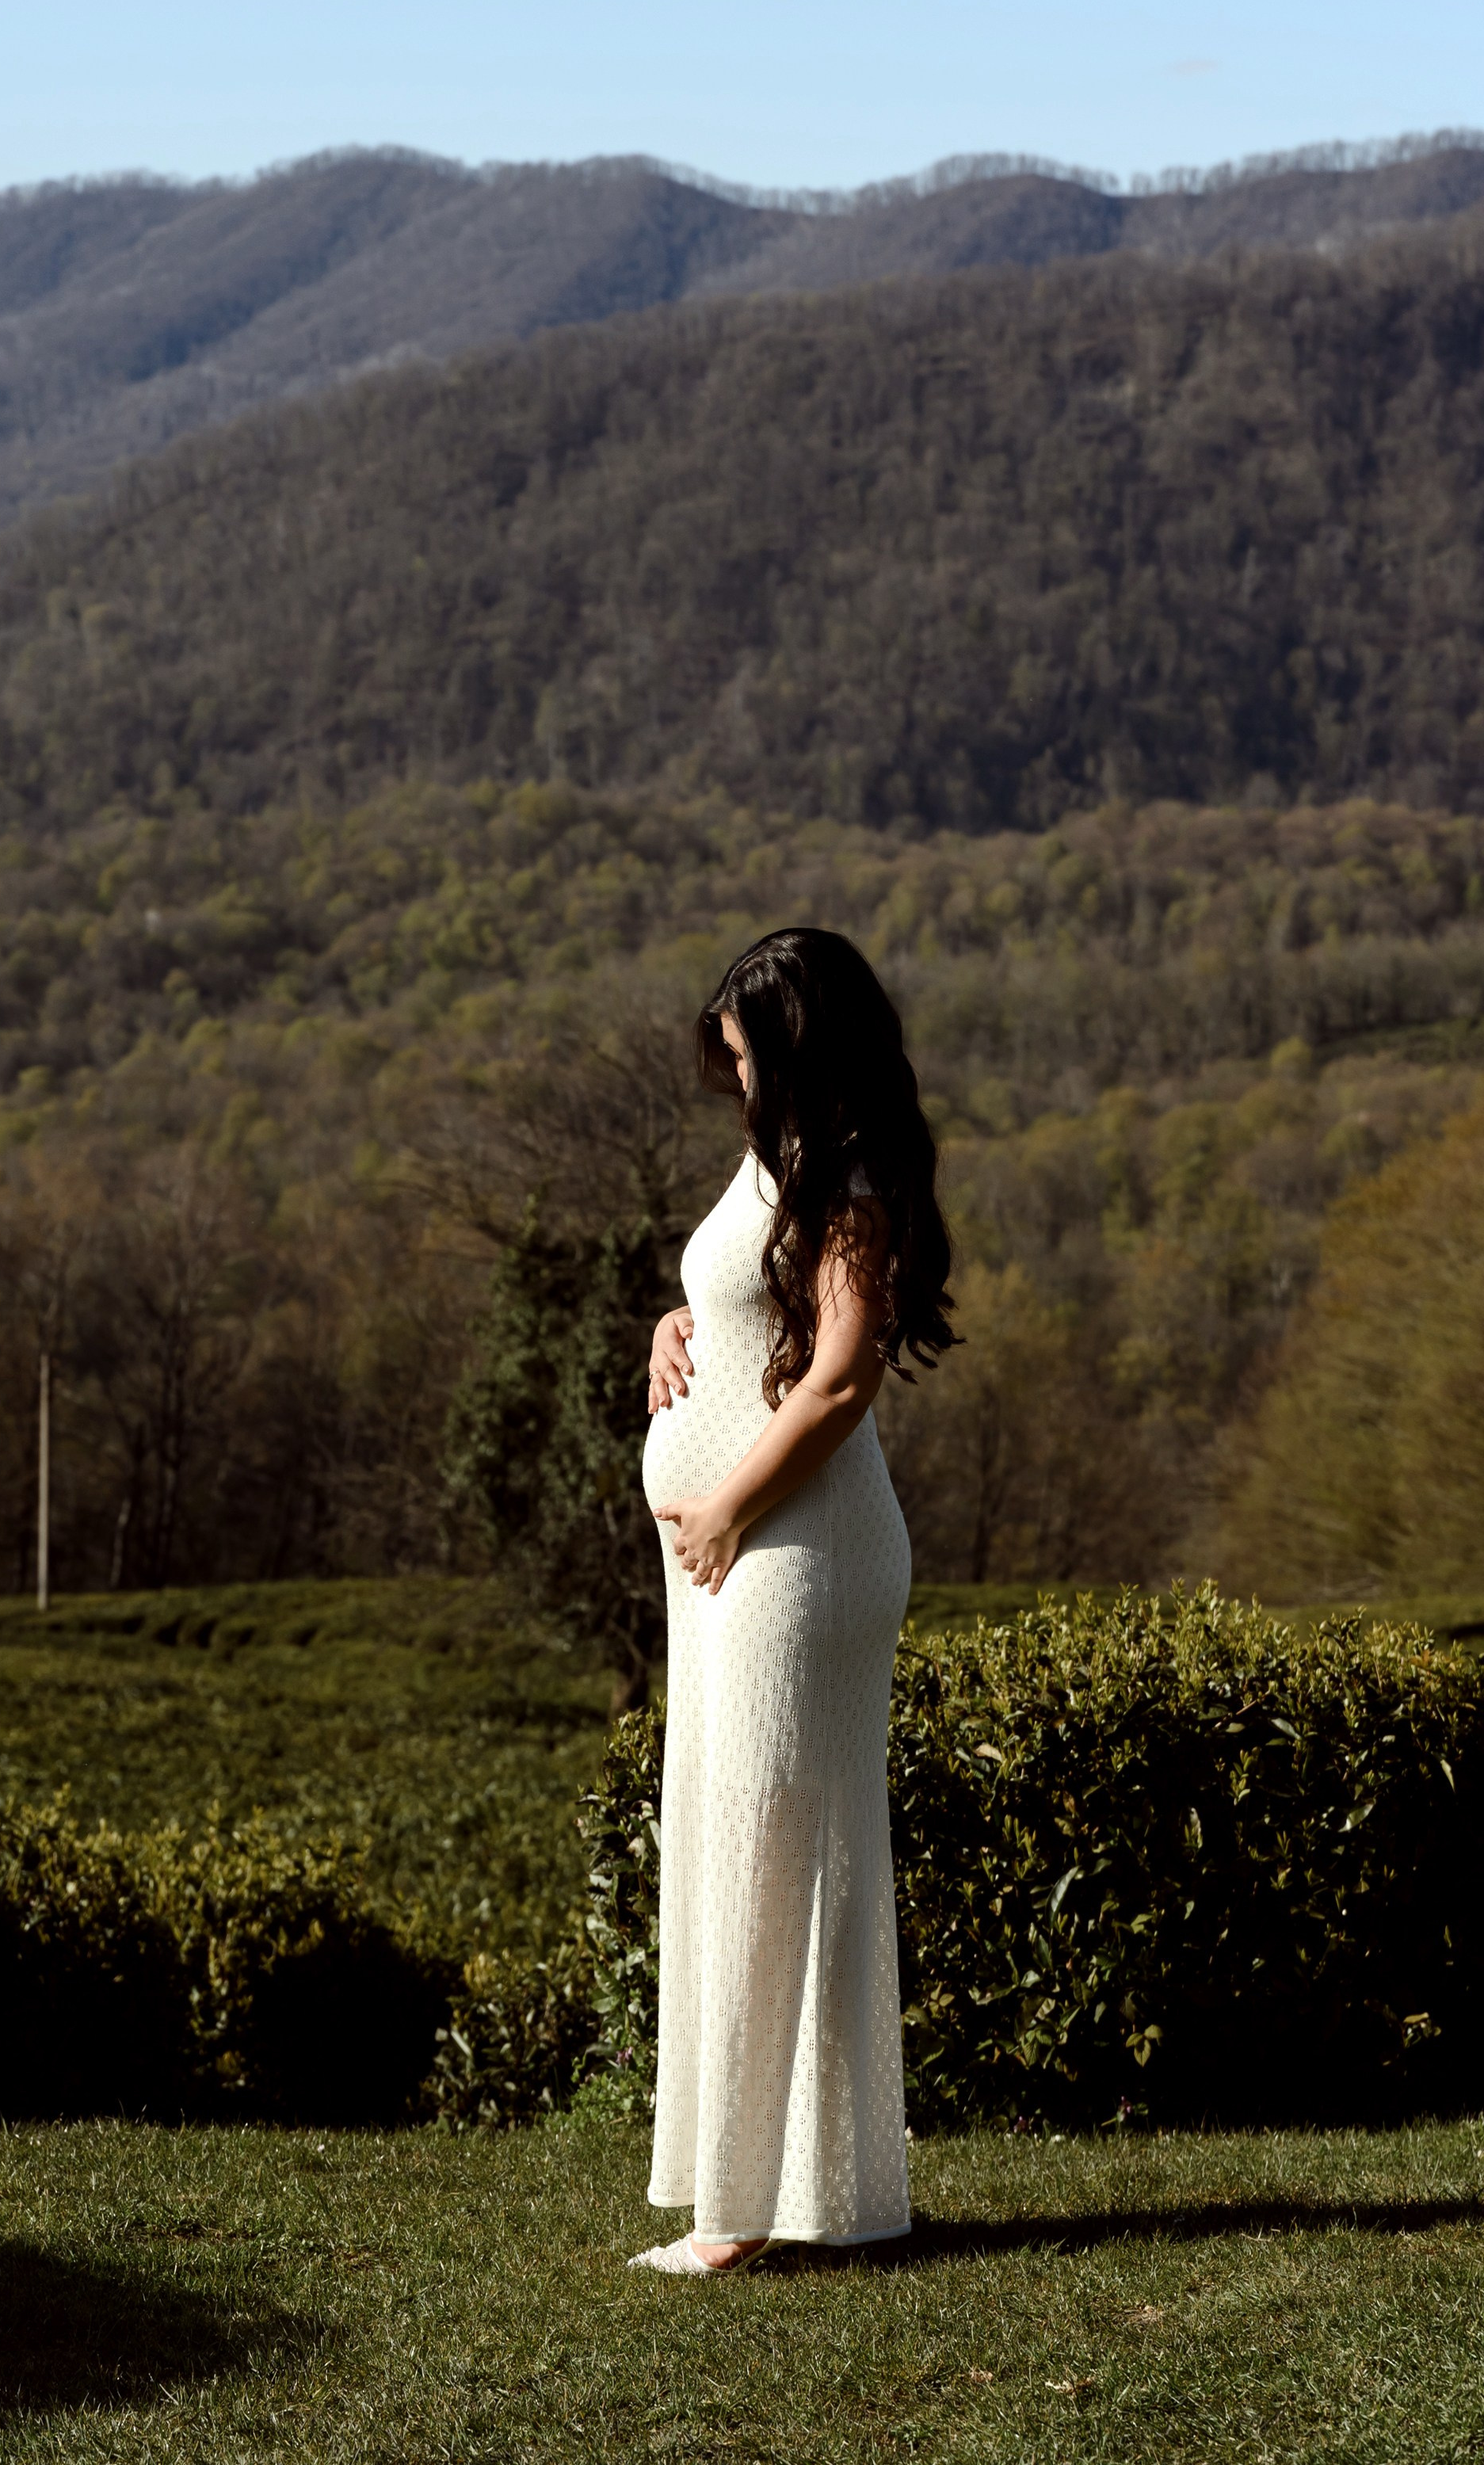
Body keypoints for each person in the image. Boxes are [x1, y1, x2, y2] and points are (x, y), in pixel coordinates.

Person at [628, 926, 955, 2276]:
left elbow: (841, 1377)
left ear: (797, 1045)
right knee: (738, 1851)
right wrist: (678, 1326)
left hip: (800, 1551)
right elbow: (756, 1312)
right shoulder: (785, 1160)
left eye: (750, 1053)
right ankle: (766, 2194)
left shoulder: (852, 1177)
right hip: (738, 1559)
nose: (740, 1077)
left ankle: (748, 2217)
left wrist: (724, 1507)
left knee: (775, 1856)